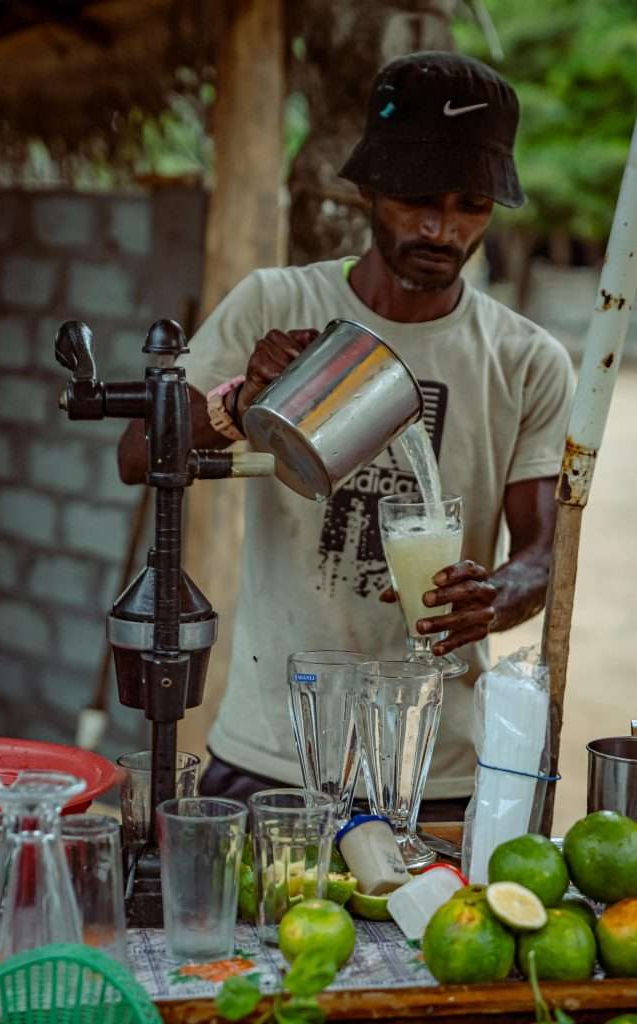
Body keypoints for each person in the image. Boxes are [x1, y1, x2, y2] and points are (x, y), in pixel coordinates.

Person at [118, 52, 574, 821]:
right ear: (366, 190)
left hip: (437, 770)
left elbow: (542, 554)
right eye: (416, 199)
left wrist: (494, 597)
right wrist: (240, 401)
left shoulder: (527, 360)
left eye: (469, 205)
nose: (441, 227)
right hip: (271, 754)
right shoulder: (276, 303)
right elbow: (139, 454)